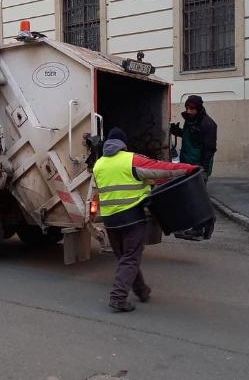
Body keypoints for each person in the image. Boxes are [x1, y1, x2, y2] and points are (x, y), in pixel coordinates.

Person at [93, 127, 200, 312]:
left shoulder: (99, 165)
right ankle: (118, 298)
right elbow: (162, 169)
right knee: (131, 258)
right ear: (123, 144)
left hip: (110, 220)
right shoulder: (131, 160)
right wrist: (188, 169)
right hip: (132, 218)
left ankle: (141, 290)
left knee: (125, 258)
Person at [170, 95, 218, 240]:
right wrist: (176, 131)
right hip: (188, 163)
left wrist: (202, 167)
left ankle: (200, 227)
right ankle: (205, 223)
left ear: (198, 108)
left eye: (192, 108)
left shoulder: (207, 124)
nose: (189, 111)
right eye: (187, 108)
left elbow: (210, 149)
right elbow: (188, 137)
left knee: (197, 197)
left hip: (199, 166)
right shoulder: (190, 121)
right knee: (194, 196)